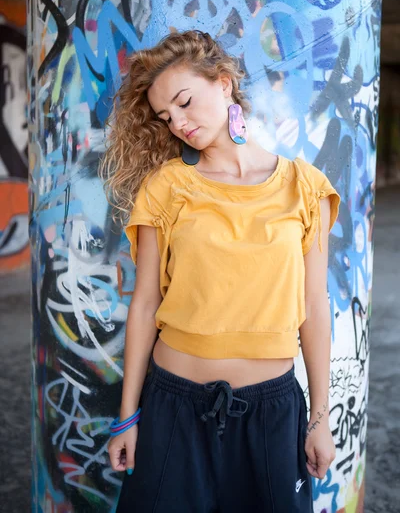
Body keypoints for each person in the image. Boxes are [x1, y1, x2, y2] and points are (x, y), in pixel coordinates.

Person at [100, 30, 340, 513]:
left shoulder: (304, 188)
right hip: (174, 407)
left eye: (185, 102)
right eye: (167, 117)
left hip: (273, 413)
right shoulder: (166, 188)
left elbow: (315, 308)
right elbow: (145, 303)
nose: (180, 123)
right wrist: (127, 417)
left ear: (224, 83)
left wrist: (319, 418)